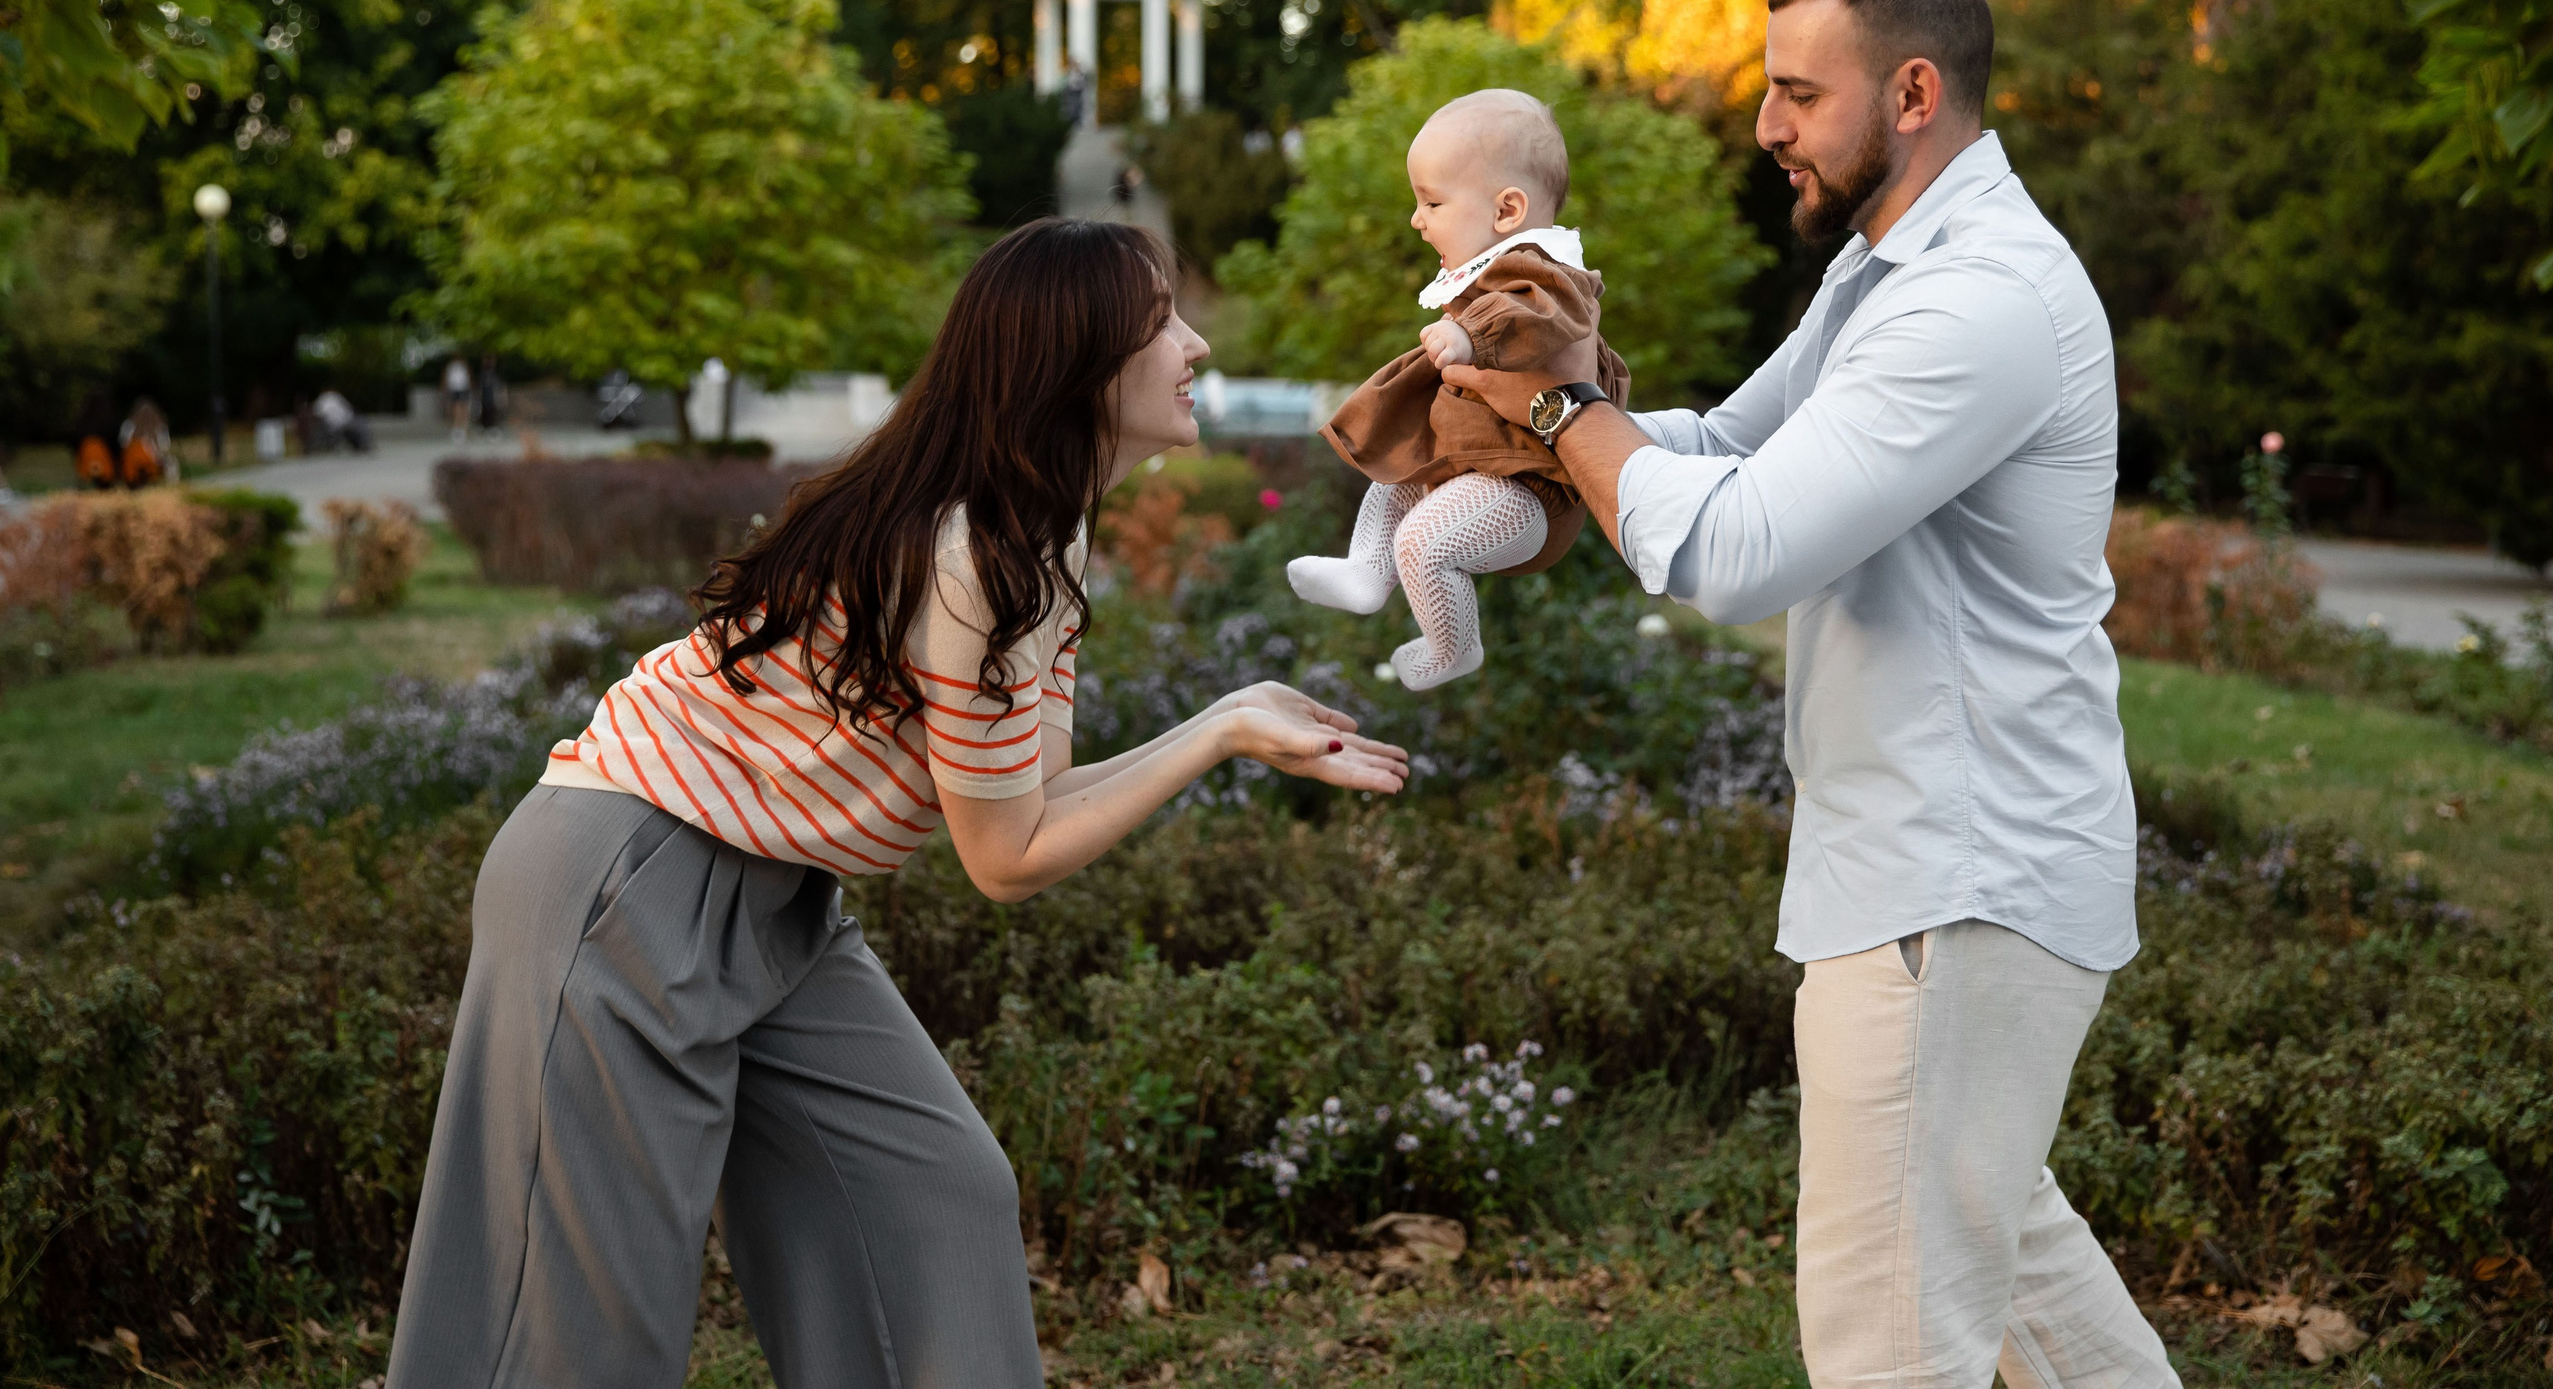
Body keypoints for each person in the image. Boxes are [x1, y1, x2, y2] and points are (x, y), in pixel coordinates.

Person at [385, 219, 1408, 1389]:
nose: (1197, 342)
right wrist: (1218, 733)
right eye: (1163, 320)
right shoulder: (973, 552)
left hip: (774, 900)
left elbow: (1032, 796)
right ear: (1078, 359)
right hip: (627, 881)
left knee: (930, 1196)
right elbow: (1007, 859)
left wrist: (1220, 722)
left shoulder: (1038, 542)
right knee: (578, 1327)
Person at [1444, 0, 2179, 1387]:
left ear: (1912, 91)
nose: (1766, 125)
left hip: (1950, 888)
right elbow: (1717, 453)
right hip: (1933, 874)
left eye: (1796, 92)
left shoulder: (1976, 301)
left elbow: (1737, 549)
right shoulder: (1882, 276)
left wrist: (1555, 412)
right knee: (2021, 1287)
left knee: (1887, 1342)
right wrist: (1570, 397)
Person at [1287, 89, 1629, 689]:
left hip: (1531, 490)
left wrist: (1470, 336)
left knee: (1421, 539)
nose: (1417, 219)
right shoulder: (1489, 274)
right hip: (1477, 469)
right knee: (1397, 473)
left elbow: (1535, 316)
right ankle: (1366, 570)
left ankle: (1453, 648)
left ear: (1507, 210)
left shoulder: (1546, 273)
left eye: (1432, 201)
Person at [117, 397, 174, 487]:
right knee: (170, 463)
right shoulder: (159, 426)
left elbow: (123, 443)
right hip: (150, 464)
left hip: (134, 466)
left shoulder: (128, 425)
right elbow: (165, 446)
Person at [443, 355, 472, 442]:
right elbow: (446, 377)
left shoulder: (464, 366)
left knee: (464, 409)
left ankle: (464, 428)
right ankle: (457, 428)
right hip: (454, 389)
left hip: (463, 389)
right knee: (456, 409)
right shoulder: (451, 366)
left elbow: (468, 377)